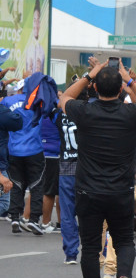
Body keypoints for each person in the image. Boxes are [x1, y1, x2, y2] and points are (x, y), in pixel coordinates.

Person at [59, 60, 136, 278]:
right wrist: (131, 81)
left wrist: (89, 74)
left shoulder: (84, 111)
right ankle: (123, 276)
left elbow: (65, 97)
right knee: (124, 241)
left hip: (88, 190)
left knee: (90, 247)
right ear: (120, 89)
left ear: (95, 87)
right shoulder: (131, 113)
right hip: (121, 191)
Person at [4, 79, 45, 234]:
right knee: (36, 184)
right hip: (34, 149)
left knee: (16, 184)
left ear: (20, 89)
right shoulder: (39, 101)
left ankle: (14, 216)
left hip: (14, 149)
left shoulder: (9, 101)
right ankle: (34, 219)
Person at [57, 90, 84, 265]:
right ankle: (94, 250)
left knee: (67, 213)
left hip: (66, 167)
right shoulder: (88, 113)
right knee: (89, 211)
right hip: (86, 168)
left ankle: (71, 253)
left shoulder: (59, 116)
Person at [24, 0, 45, 74]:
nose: (36, 24)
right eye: (34, 20)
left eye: (38, 21)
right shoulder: (28, 49)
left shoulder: (42, 51)